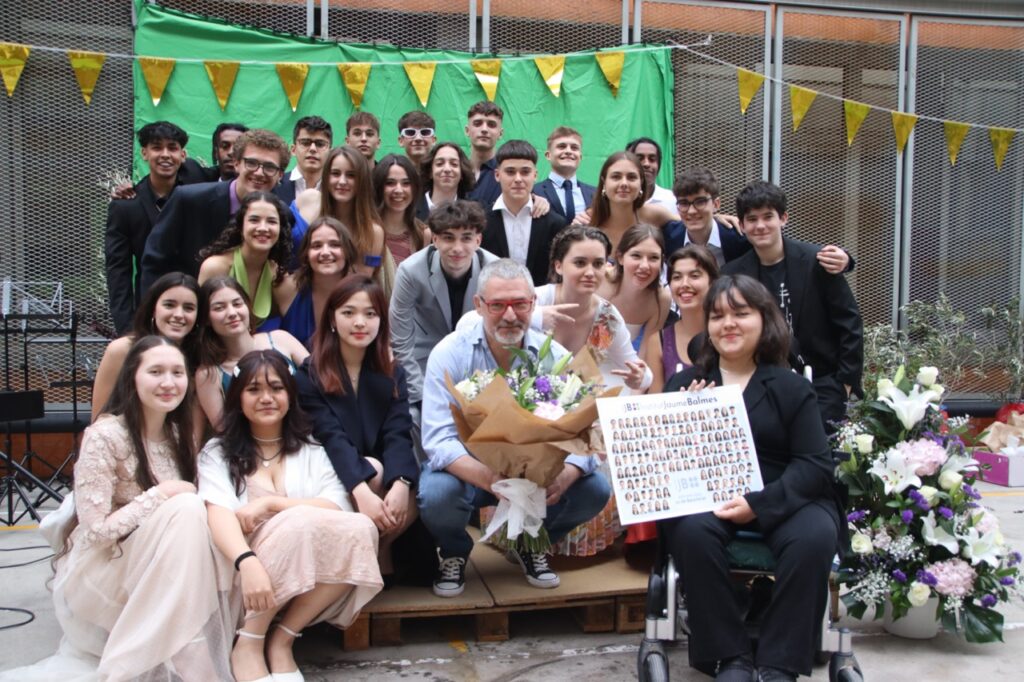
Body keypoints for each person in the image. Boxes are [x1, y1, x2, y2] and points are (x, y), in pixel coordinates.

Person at [13, 336, 233, 680]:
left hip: (154, 569)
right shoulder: (104, 435)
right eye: (156, 372)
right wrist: (160, 495)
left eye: (177, 373)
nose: (168, 382)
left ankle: (189, 647)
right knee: (186, 507)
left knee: (201, 520)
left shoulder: (179, 435)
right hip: (102, 571)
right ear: (132, 377)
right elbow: (96, 532)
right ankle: (184, 652)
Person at [661, 274, 843, 682]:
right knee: (691, 533)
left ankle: (780, 663)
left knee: (814, 537)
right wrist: (683, 418)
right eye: (717, 316)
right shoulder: (686, 384)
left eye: (740, 314)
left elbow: (814, 464)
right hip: (711, 497)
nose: (728, 324)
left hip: (786, 494)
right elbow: (665, 464)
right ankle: (729, 657)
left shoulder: (791, 386)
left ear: (764, 320)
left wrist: (759, 504)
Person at [418, 258, 611, 596]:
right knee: (436, 494)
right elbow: (438, 440)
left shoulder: (553, 355)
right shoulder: (450, 353)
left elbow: (586, 432)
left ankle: (530, 541)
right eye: (497, 305)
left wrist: (567, 474)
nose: (510, 315)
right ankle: (454, 550)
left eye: (520, 304)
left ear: (533, 304)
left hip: (536, 475)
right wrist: (489, 479)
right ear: (479, 305)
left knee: (594, 489)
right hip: (471, 473)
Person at [199, 350, 382, 682]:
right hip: (244, 572)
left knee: (361, 528)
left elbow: (336, 505)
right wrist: (247, 562)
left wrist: (271, 505)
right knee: (300, 520)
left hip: (303, 578)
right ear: (238, 397)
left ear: (290, 395)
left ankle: (282, 638)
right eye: (254, 389)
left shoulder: (312, 448)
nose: (266, 398)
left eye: (276, 388)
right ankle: (248, 643)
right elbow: (218, 514)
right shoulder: (218, 452)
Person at [296, 276, 420, 576]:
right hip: (330, 468)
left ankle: (379, 548)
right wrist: (361, 489)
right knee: (373, 471)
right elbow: (331, 437)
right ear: (332, 319)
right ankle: (368, 560)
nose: (360, 322)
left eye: (370, 313)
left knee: (414, 491)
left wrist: (401, 482)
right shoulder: (310, 373)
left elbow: (398, 432)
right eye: (349, 312)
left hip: (377, 468)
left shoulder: (392, 371)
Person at [722, 180, 863, 428]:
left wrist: (845, 383)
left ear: (783, 218)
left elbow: (849, 321)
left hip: (822, 384)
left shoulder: (818, 262)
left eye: (768, 217)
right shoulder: (732, 274)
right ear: (742, 226)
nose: (760, 225)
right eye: (752, 219)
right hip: (761, 387)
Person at [141, 129, 295, 288]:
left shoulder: (282, 215)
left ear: (280, 175)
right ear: (236, 163)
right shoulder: (189, 200)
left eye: (269, 167)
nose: (259, 172)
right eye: (251, 163)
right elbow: (155, 261)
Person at [390, 200, 497, 427]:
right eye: (448, 238)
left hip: (477, 362)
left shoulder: (495, 271)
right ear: (435, 239)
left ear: (478, 240)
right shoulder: (410, 271)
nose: (457, 248)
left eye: (466, 238)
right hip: (423, 361)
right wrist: (421, 397)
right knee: (411, 417)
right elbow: (401, 342)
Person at [663, 168, 852, 274]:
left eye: (700, 202)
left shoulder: (740, 236)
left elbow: (788, 251)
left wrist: (846, 260)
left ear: (716, 204)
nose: (691, 210)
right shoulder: (669, 236)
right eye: (684, 203)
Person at [105, 121, 194, 334]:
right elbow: (118, 271)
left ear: (182, 155)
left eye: (172, 148)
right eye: (156, 147)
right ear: (144, 153)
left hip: (194, 311)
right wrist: (128, 329)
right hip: (147, 312)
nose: (165, 155)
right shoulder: (125, 206)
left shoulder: (197, 196)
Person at [194, 277, 308, 430]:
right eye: (219, 308)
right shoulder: (209, 374)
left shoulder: (281, 339)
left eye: (237, 304)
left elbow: (319, 380)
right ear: (206, 318)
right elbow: (225, 430)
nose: (232, 313)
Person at [91, 272, 201, 423]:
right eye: (169, 305)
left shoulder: (200, 356)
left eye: (189, 308)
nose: (179, 314)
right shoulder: (121, 350)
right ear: (153, 309)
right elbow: (99, 418)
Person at [198, 191, 293, 329]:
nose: (263, 228)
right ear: (240, 226)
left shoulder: (277, 273)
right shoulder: (215, 267)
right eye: (254, 220)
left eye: (271, 221)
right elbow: (200, 323)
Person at [481, 140, 566, 286]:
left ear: (535, 175)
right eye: (510, 172)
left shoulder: (555, 223)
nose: (518, 179)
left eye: (525, 172)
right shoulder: (481, 221)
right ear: (497, 175)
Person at [275, 216, 357, 348]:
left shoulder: (362, 293)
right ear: (306, 254)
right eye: (317, 246)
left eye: (334, 245)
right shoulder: (286, 289)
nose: (325, 252)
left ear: (347, 251)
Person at [649, 244, 719, 393]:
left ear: (712, 282)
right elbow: (655, 401)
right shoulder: (659, 341)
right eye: (677, 277)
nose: (684, 284)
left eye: (694, 276)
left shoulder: (726, 333)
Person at [597, 223, 671, 359]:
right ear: (620, 257)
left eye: (654, 258)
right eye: (636, 256)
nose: (645, 266)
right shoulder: (598, 281)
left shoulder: (661, 298)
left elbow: (645, 354)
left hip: (623, 365)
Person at [318, 145, 387, 280]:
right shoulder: (313, 214)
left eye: (351, 175)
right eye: (335, 173)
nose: (342, 181)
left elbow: (364, 279)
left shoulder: (374, 232)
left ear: (362, 180)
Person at [587, 151, 674, 253]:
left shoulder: (655, 215)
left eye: (631, 177)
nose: (624, 183)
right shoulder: (588, 220)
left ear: (641, 182)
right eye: (616, 177)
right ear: (604, 182)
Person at [372, 154, 428, 266]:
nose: (399, 190)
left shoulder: (423, 234)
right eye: (390, 183)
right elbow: (368, 271)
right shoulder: (367, 231)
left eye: (406, 183)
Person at [535, 126, 596, 223]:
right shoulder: (533, 193)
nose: (568, 151)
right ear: (548, 155)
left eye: (574, 148)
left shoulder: (596, 194)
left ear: (580, 157)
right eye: (561, 146)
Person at [415, 141, 475, 221]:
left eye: (454, 164)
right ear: (430, 172)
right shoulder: (411, 209)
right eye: (439, 164)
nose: (447, 169)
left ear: (462, 173)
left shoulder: (472, 214)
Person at [464, 101, 505, 210]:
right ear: (467, 131)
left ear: (500, 133)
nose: (484, 129)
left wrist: (536, 199)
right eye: (477, 123)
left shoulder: (507, 174)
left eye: (491, 125)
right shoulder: (455, 171)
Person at [625, 137, 677, 212]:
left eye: (652, 159)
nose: (646, 164)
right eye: (639, 159)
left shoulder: (672, 200)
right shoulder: (618, 200)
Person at [287, 115, 332, 194]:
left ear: (330, 152)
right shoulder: (276, 185)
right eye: (305, 143)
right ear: (293, 150)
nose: (313, 149)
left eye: (320, 144)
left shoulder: (337, 188)